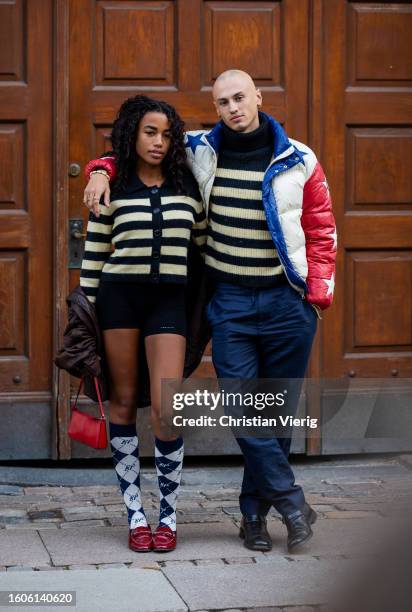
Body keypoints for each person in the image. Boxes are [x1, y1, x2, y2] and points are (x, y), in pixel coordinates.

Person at [83, 70, 337, 554]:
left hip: (287, 302)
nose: (233, 108)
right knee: (246, 413)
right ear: (215, 108)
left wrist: (317, 296)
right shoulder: (201, 150)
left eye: (240, 98)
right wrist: (99, 168)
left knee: (276, 417)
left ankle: (254, 516)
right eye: (222, 101)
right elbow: (130, 148)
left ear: (258, 96)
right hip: (232, 304)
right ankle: (290, 501)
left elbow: (321, 229)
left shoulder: (299, 159)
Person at [80, 95, 207, 553]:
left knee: (166, 408)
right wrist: (85, 318)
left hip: (169, 302)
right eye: (150, 131)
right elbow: (94, 258)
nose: (158, 141)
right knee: (123, 401)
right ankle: (135, 514)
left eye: (167, 134)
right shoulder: (113, 184)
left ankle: (168, 516)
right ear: (132, 132)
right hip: (117, 301)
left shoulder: (188, 185)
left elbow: (202, 249)